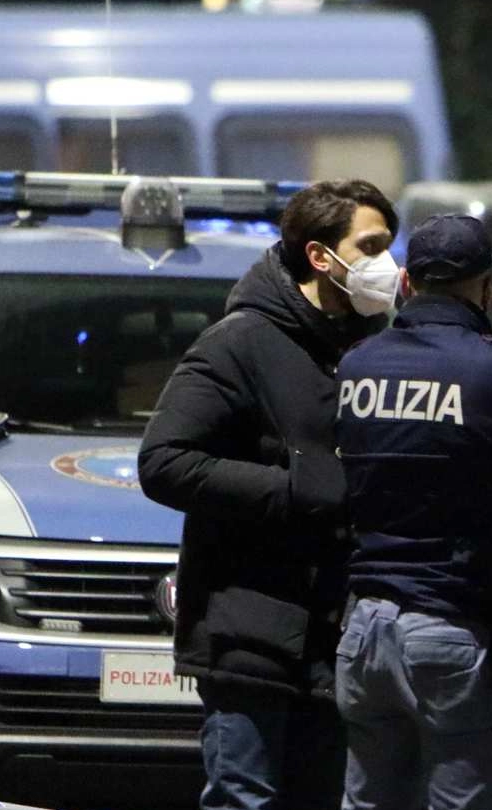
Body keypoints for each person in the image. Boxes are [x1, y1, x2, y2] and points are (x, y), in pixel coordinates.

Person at [138, 179, 401, 810]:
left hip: (338, 637)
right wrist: (297, 489)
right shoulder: (242, 343)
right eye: (369, 246)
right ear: (320, 256)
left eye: (390, 246)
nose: (386, 264)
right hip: (251, 633)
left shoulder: (372, 346)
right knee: (245, 796)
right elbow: (164, 462)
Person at [332, 214, 492, 810]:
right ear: (486, 288)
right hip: (455, 631)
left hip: (365, 632)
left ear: (407, 283)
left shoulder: (358, 366)